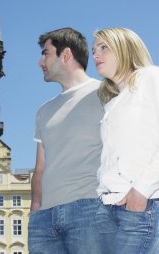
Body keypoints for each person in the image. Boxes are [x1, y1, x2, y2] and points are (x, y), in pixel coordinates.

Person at [92, 27, 159, 254]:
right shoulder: (111, 103)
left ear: (125, 47)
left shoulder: (153, 76)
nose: (95, 55)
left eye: (103, 47)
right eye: (93, 50)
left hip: (142, 205)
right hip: (108, 207)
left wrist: (141, 192)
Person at [28, 27, 104, 253]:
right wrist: (35, 211)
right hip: (44, 220)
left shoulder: (105, 93)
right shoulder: (43, 111)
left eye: (46, 53)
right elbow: (40, 169)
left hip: (89, 209)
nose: (41, 62)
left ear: (66, 55)